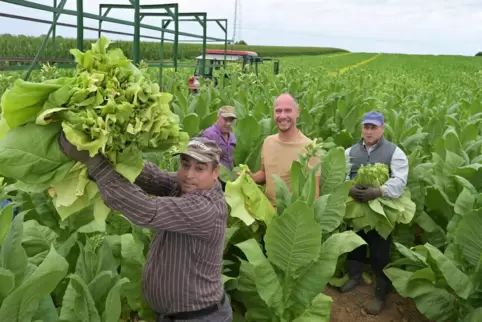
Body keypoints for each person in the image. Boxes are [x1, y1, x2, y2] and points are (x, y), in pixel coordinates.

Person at [58, 134, 232, 322]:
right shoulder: (184, 186)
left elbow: (147, 210)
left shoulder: (206, 208)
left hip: (200, 318)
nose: (189, 174)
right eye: (185, 164)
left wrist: (95, 164)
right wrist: (108, 152)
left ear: (216, 172)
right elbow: (152, 177)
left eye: (199, 168)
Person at [341, 111, 409, 315]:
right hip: (355, 206)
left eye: (373, 127)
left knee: (380, 251)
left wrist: (379, 191)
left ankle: (380, 292)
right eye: (366, 127)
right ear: (362, 128)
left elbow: (399, 180)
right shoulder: (350, 151)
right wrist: (348, 188)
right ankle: (355, 276)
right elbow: (341, 175)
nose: (369, 131)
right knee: (354, 244)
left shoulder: (395, 152)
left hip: (381, 209)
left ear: (382, 129)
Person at [250, 93, 320, 206]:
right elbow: (264, 173)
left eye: (288, 111)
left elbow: (314, 192)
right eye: (278, 111)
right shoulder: (268, 142)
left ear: (297, 112)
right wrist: (251, 177)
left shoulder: (309, 147)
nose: (282, 116)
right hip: (266, 212)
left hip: (292, 215)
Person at [201, 106, 237, 191]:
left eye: (231, 120)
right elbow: (204, 160)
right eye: (225, 119)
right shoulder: (209, 135)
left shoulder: (232, 136)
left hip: (229, 180)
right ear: (218, 117)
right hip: (215, 182)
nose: (228, 123)